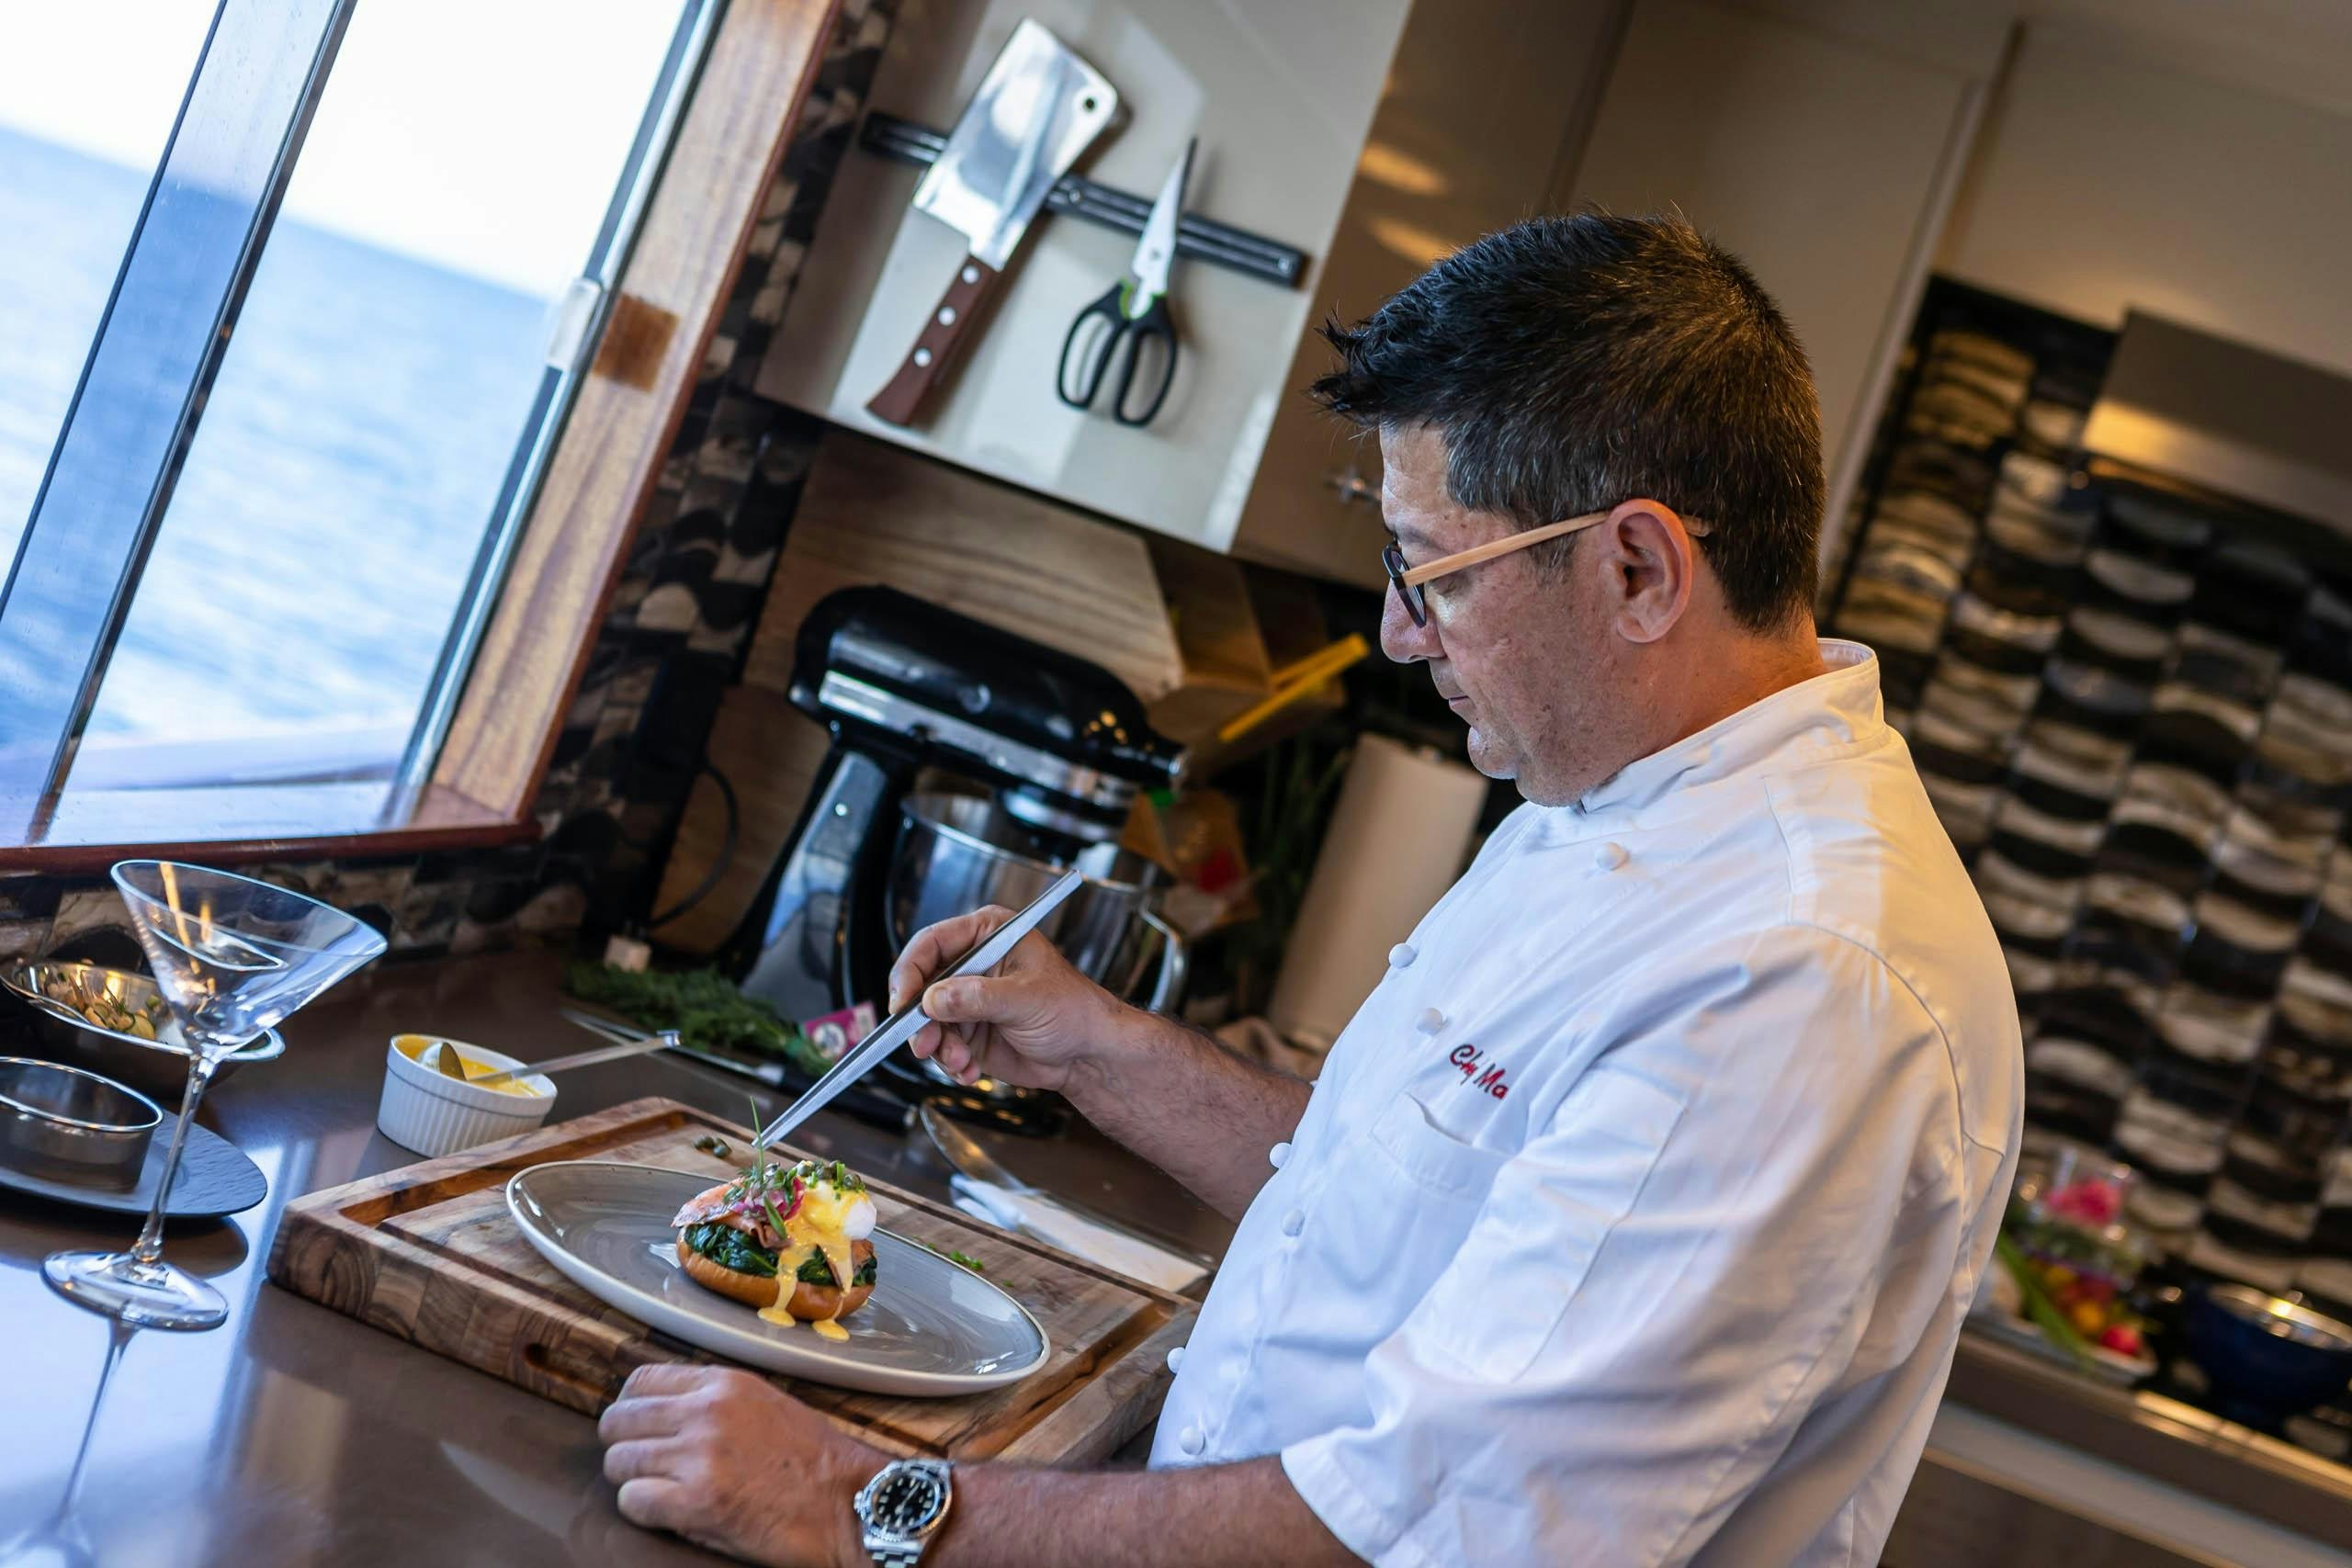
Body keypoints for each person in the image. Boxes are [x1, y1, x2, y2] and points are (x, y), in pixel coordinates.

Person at [595, 212, 2024, 1568]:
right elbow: (1402, 1198)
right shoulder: (1616, 790)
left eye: (1434, 574)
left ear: (1638, 567)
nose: (1400, 635)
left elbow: (1413, 1527)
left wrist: (857, 1505)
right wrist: (1101, 1046)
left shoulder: (1801, 975)